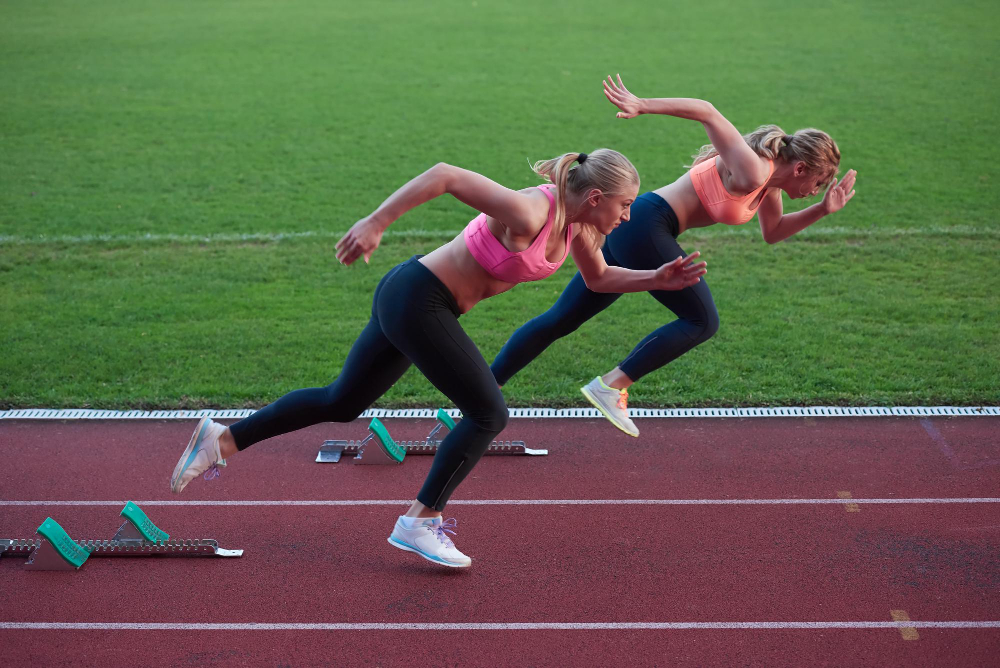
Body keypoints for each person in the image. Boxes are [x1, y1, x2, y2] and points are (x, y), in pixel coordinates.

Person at [169, 149, 707, 567]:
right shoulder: (531, 209)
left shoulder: (580, 227)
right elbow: (446, 174)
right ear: (595, 198)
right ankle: (420, 520)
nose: (629, 215)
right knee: (488, 414)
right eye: (624, 205)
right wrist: (377, 221)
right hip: (420, 298)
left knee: (342, 401)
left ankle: (222, 438)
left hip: (415, 299)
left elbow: (598, 278)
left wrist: (655, 279)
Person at [491, 76, 858, 437]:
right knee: (702, 320)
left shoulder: (769, 186)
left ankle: (479, 396)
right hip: (648, 225)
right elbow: (707, 112)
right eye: (818, 184)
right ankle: (612, 385)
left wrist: (823, 211)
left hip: (641, 228)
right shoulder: (754, 170)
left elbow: (773, 232)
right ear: (800, 169)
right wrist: (642, 105)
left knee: (560, 320)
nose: (815, 192)